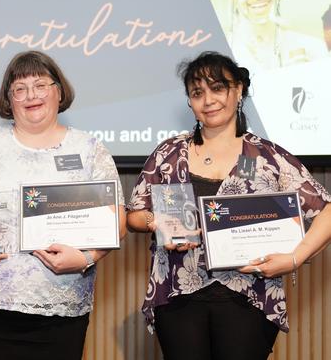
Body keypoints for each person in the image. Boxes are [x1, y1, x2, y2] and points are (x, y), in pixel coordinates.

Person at [126, 51, 331, 360]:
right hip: (178, 296)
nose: (208, 99)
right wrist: (155, 221)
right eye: (197, 93)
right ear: (190, 104)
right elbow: (134, 216)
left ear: (239, 91)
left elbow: (327, 211)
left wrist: (292, 259)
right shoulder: (168, 153)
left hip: (249, 296)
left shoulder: (267, 157)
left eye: (218, 87)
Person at [0, 50, 127, 360]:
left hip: (63, 302)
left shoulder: (89, 148)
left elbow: (116, 220)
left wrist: (87, 258)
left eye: (40, 85)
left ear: (59, 91)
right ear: (8, 100)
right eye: (19, 89)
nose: (30, 95)